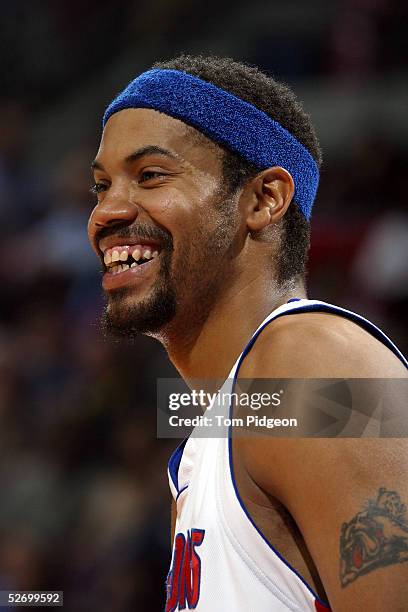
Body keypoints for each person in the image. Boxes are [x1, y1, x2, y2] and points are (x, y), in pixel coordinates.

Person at [88, 55, 408, 611]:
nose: (106, 211)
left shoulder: (313, 367)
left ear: (264, 200)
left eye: (151, 175)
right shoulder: (212, 443)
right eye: (100, 186)